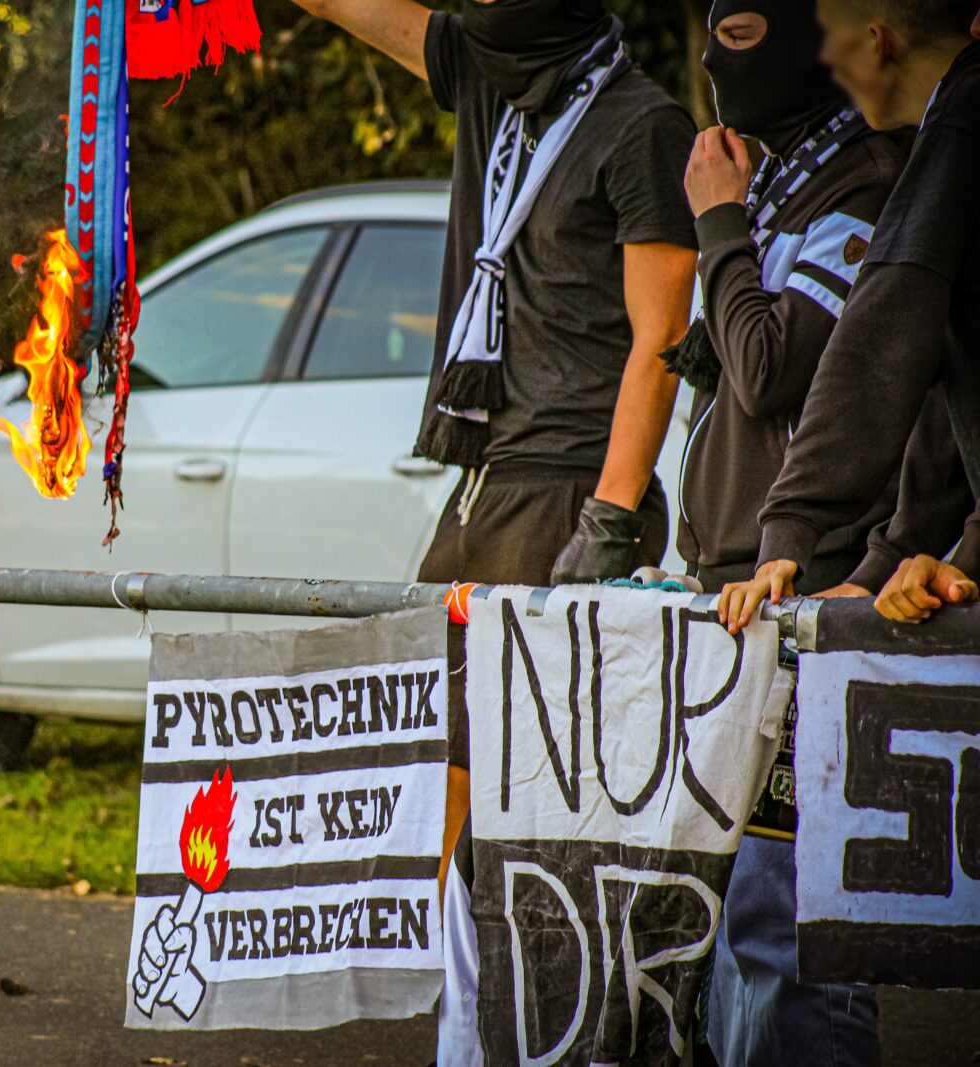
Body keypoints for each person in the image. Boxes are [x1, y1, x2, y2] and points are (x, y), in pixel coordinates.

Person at [284, 3, 697, 1063]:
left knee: (509, 797)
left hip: (563, 489)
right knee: (428, 763)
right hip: (477, 477)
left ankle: (527, 1031)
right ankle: (463, 1024)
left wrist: (609, 514)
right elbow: (356, 6)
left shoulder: (640, 126)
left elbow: (660, 338)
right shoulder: (486, 76)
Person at [669, 3, 919, 1061]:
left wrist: (718, 221)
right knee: (719, 921)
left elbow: (775, 367)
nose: (723, 59)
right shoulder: (780, 182)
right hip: (732, 589)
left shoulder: (860, 184)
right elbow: (718, 368)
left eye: (747, 28)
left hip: (812, 591)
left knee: (787, 925)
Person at [718, 0, 980, 634]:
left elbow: (881, 339)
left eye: (829, 38)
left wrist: (790, 530)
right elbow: (955, 378)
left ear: (874, 42)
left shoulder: (965, 117)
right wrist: (886, 563)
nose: (826, 61)